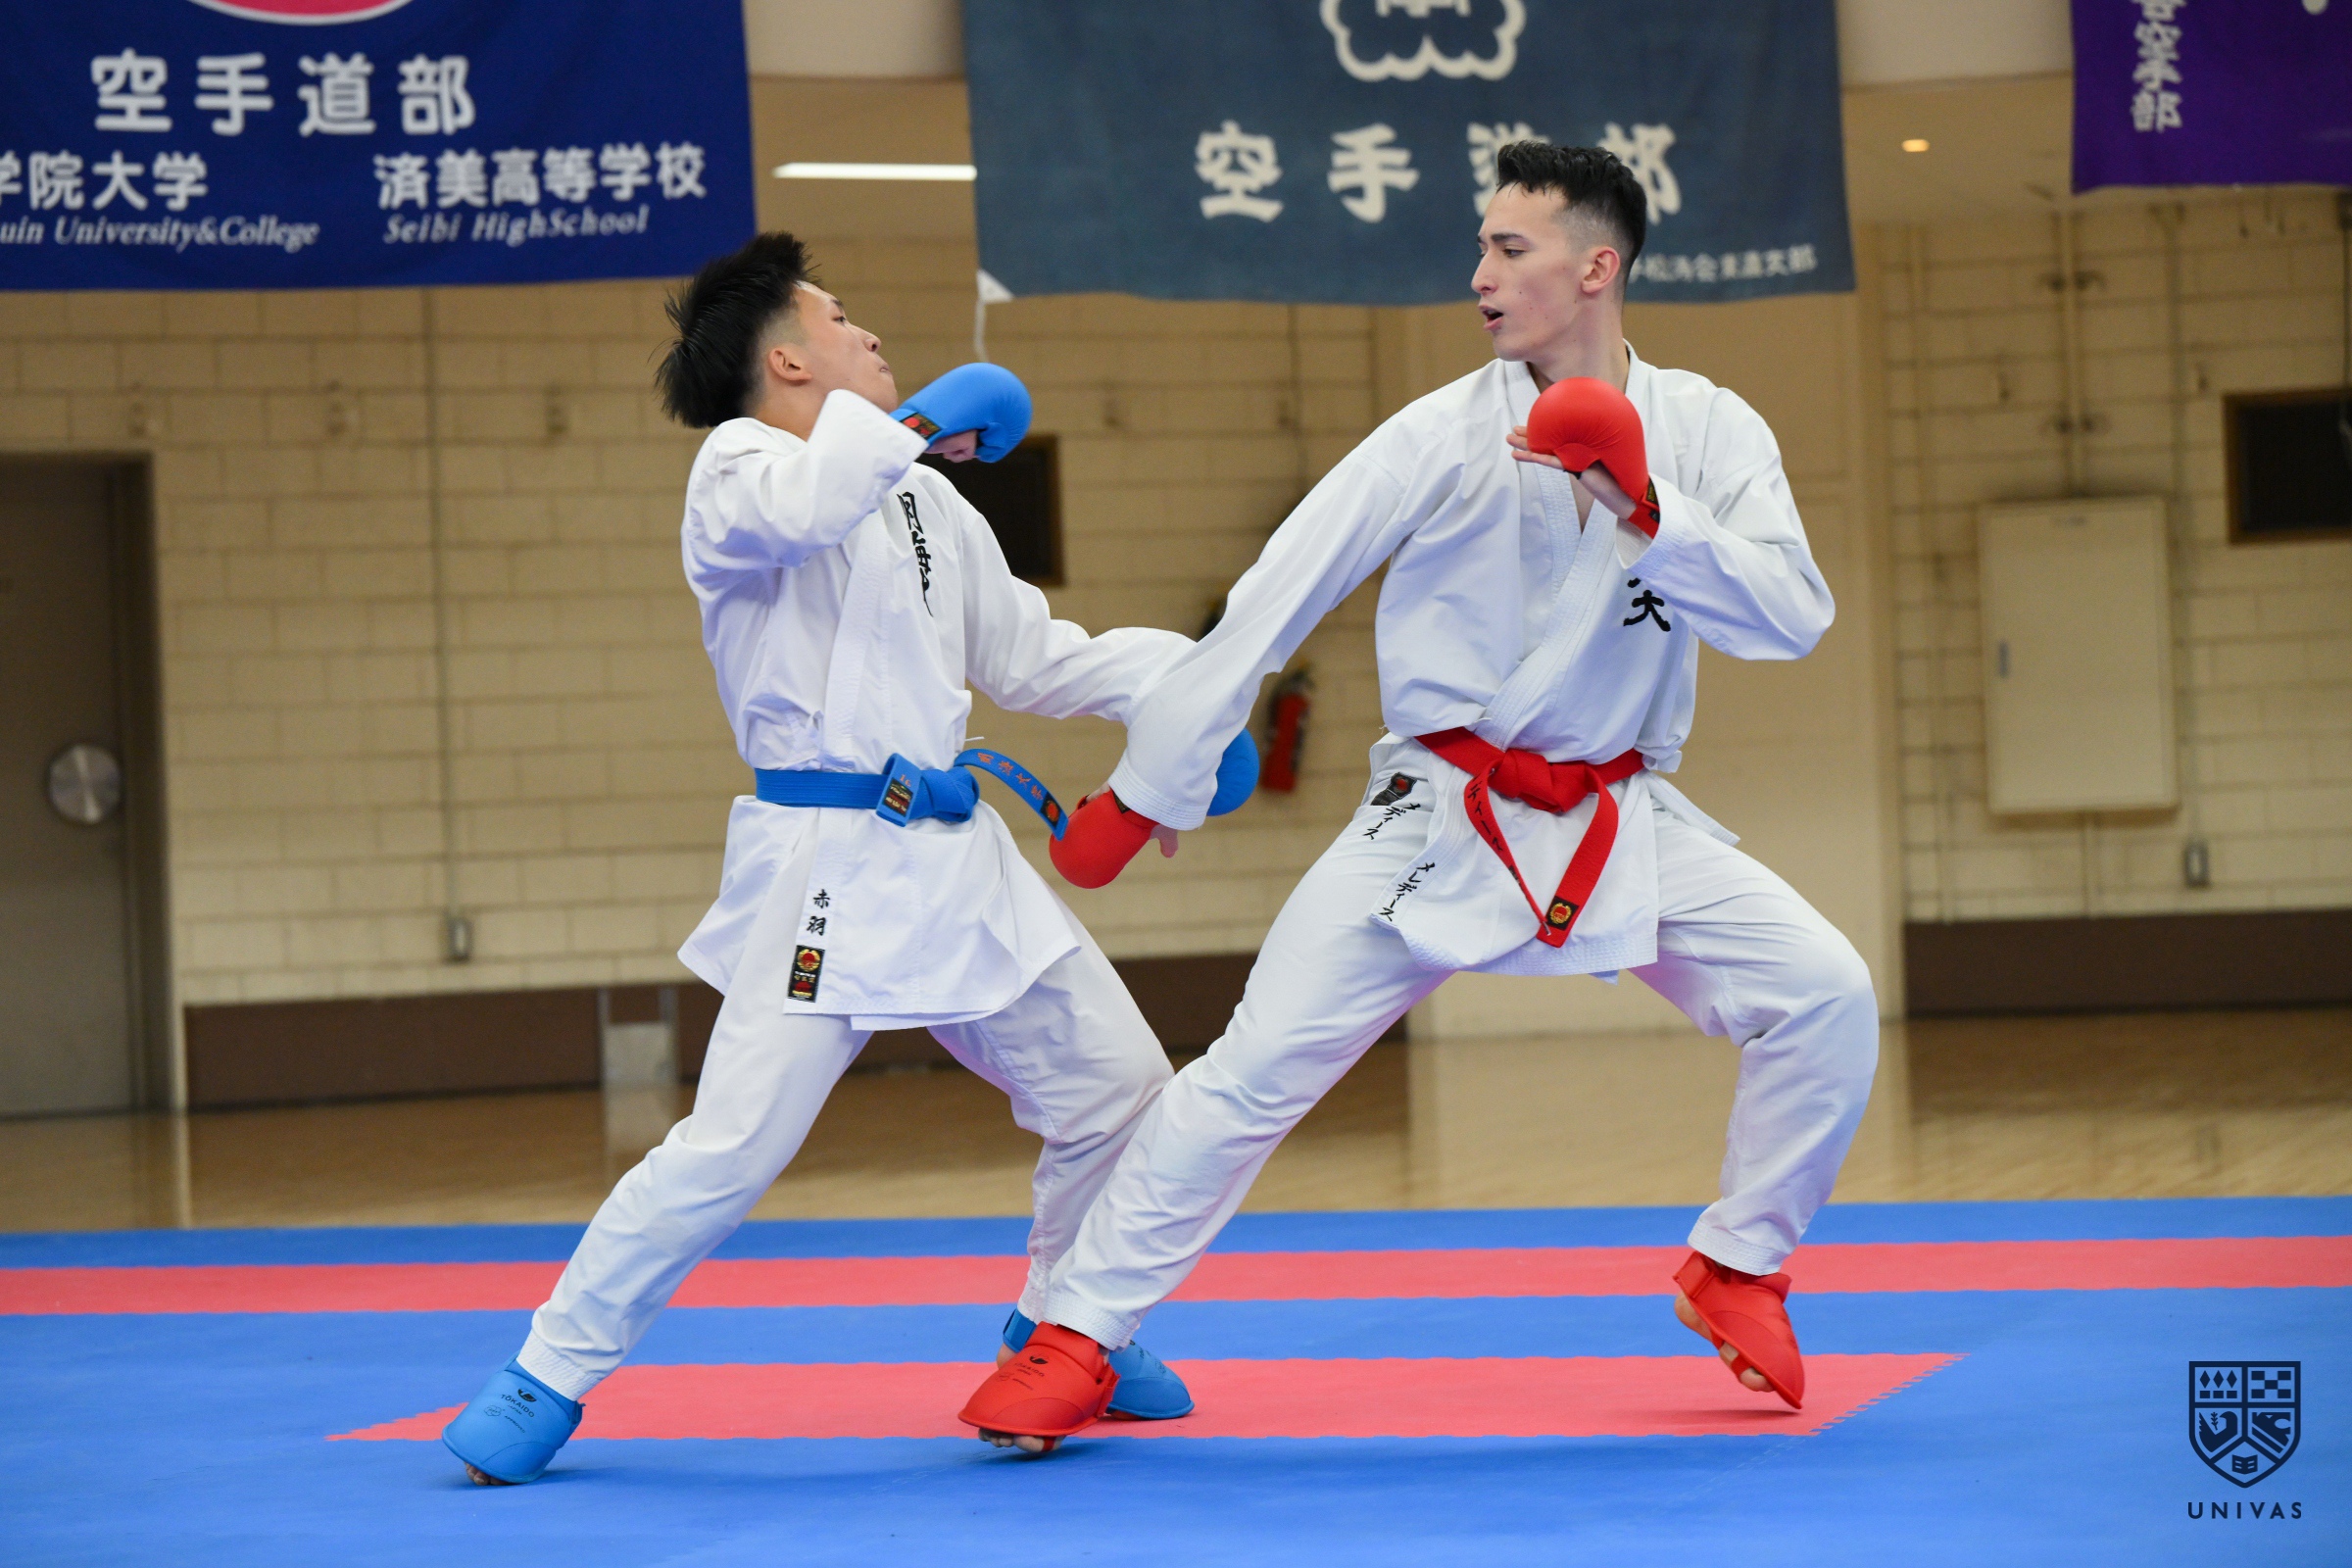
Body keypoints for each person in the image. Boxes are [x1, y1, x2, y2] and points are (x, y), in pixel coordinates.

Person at [957, 144, 1879, 1450]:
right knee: (1249, 1073)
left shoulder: (1710, 430)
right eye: (1482, 247)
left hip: (1618, 817)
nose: (1479, 275)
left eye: (1510, 248)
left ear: (1597, 266)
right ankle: (1076, 1331)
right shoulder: (1438, 434)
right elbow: (1271, 602)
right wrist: (1149, 786)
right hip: (1437, 813)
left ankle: (1741, 1261)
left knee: (1826, 993)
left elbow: (1791, 619)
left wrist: (1647, 506)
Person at [440, 231, 1242, 1484]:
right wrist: (913, 426)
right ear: (785, 359)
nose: (869, 333)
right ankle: (546, 1369)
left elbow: (1034, 656)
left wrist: (1186, 691)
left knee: (1120, 1085)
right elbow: (812, 506)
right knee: (732, 1147)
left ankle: (1065, 1321)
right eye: (840, 317)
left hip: (956, 857)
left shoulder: (924, 496)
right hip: (825, 861)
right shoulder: (736, 469)